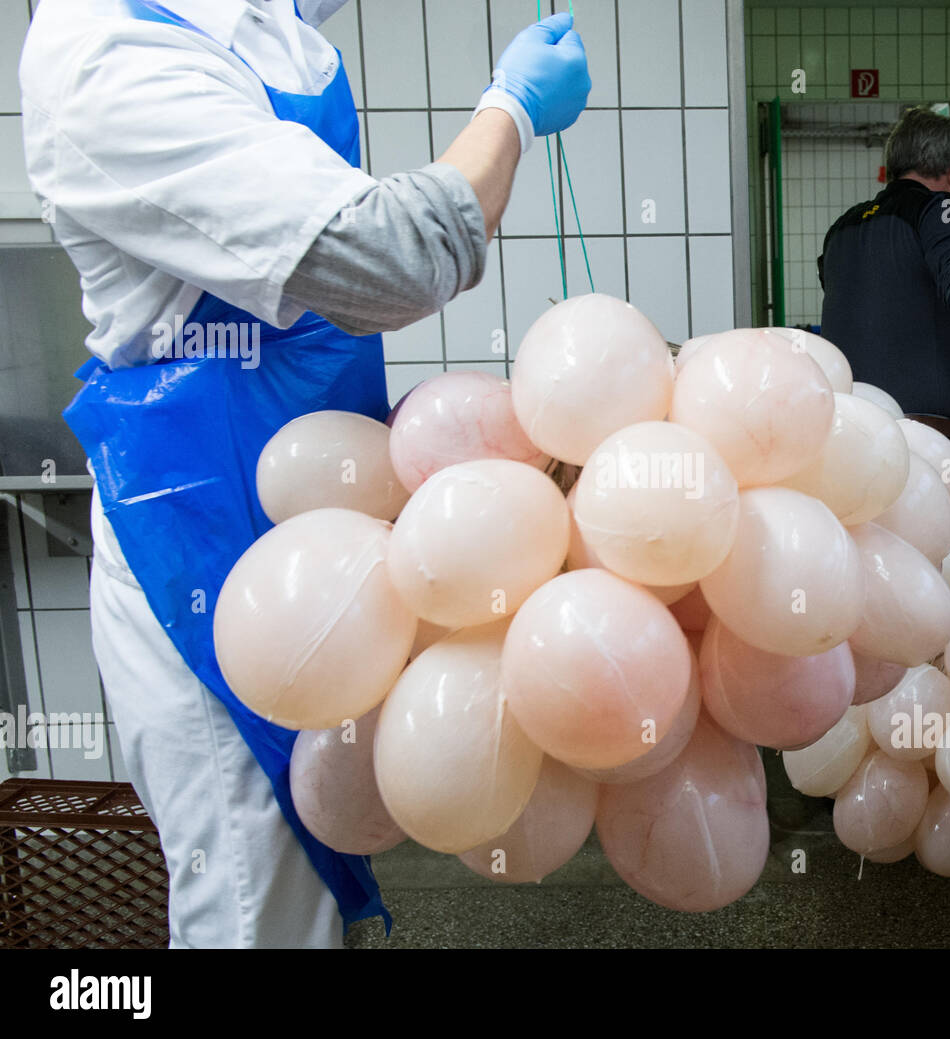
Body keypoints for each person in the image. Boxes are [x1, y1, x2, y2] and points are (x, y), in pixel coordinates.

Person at [19, 0, 590, 949]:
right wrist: (513, 108)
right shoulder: (108, 54)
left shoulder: (249, 15)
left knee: (324, 855)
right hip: (201, 522)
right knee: (261, 898)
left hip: (316, 510)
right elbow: (392, 257)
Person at [818, 107, 950, 539]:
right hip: (922, 448)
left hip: (846, 438)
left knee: (866, 559)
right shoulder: (942, 209)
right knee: (938, 561)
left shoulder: (841, 229)